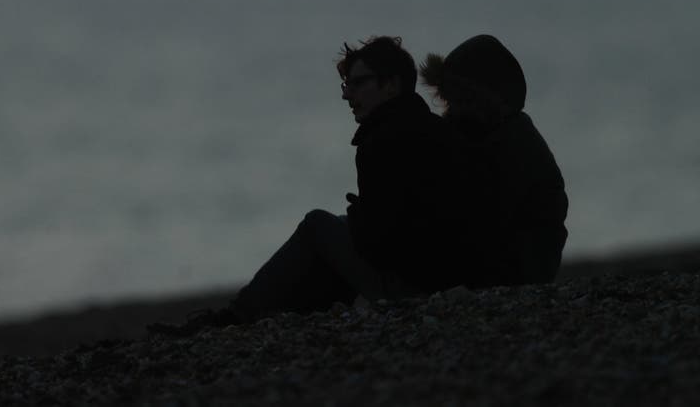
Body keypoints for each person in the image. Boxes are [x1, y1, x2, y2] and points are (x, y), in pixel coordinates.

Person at [152, 36, 469, 336]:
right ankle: (288, 311)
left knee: (317, 224)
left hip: (415, 289)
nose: (347, 95)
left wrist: (360, 216)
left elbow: (380, 243)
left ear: (391, 86)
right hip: (445, 278)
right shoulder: (426, 128)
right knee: (338, 228)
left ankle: (237, 317)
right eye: (347, 85)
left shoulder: (384, 140)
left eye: (358, 84)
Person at [419, 34, 568, 286]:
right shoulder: (484, 134)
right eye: (448, 98)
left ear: (479, 99)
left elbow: (485, 218)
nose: (451, 107)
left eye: (460, 98)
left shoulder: (510, 141)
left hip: (516, 270)